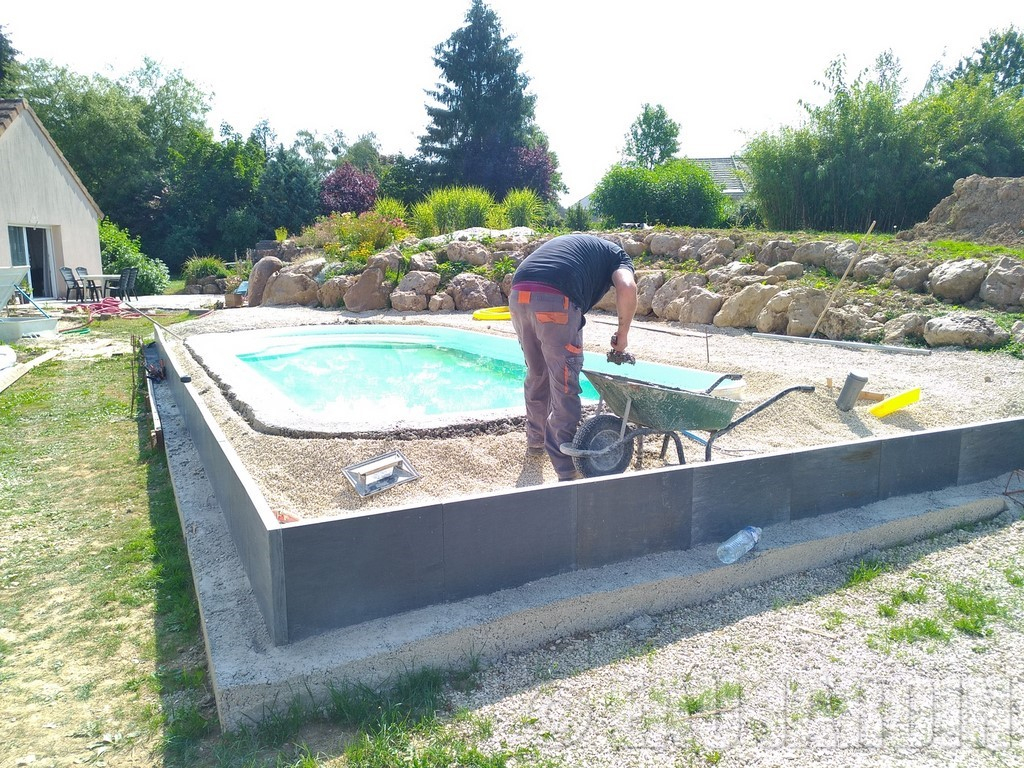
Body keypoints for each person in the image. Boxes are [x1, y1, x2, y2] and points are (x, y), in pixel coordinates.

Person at [509, 234, 638, 481]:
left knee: (537, 372)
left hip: (519, 294)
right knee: (564, 381)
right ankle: (567, 469)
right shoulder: (618, 257)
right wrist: (623, 334)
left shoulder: (580, 246)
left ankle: (535, 440)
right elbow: (627, 287)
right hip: (556, 299)